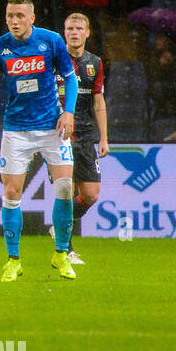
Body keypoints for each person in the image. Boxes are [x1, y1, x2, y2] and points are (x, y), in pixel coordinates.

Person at [0, 0, 79, 282]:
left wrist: (68, 112)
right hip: (16, 130)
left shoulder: (51, 41)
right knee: (10, 194)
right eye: (10, 16)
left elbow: (70, 78)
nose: (14, 21)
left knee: (65, 188)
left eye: (20, 15)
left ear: (32, 18)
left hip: (51, 127)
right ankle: (13, 260)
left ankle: (60, 254)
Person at [49, 13, 108, 266]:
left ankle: (58, 228)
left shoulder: (94, 63)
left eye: (79, 28)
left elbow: (98, 101)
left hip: (85, 136)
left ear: (87, 33)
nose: (74, 32)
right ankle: (66, 249)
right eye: (69, 28)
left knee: (91, 194)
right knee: (66, 190)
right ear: (64, 33)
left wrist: (104, 137)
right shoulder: (53, 61)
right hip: (58, 135)